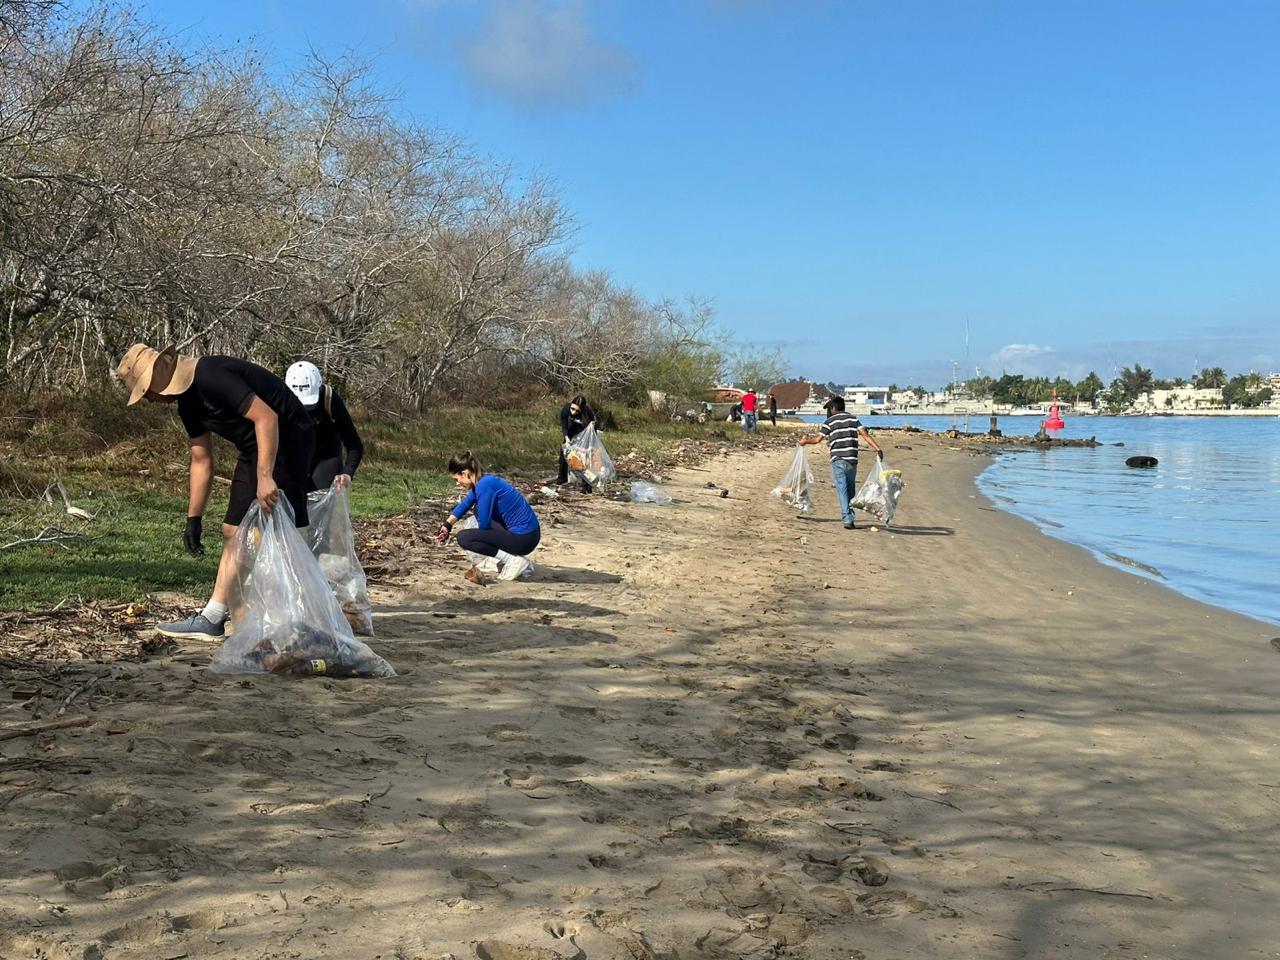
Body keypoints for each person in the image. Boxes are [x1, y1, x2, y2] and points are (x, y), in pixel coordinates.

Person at [115, 344, 315, 640]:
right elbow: (201, 459)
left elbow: (267, 418)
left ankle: (305, 614)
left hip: (290, 440)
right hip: (253, 449)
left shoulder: (211, 375)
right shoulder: (187, 404)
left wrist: (265, 477)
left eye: (147, 392)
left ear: (160, 380)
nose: (150, 399)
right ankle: (216, 616)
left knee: (279, 532)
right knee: (233, 531)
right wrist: (193, 518)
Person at [437, 451, 541, 581]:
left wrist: (481, 542)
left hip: (524, 539)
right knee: (477, 510)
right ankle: (503, 556)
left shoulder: (484, 486)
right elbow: (465, 504)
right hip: (529, 535)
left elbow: (484, 525)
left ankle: (512, 560)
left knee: (464, 538)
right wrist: (447, 525)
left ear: (465, 473)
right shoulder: (484, 481)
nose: (457, 484)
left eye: (456, 479)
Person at [798, 395, 883, 530]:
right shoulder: (853, 419)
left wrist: (804, 441)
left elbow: (818, 439)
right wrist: (878, 448)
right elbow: (865, 435)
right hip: (852, 459)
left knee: (842, 489)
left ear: (833, 408)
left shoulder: (830, 421)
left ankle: (847, 518)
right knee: (850, 489)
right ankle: (849, 516)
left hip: (838, 459)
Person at [284, 361, 364, 492]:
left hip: (325, 455)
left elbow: (354, 444)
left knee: (321, 496)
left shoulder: (330, 400)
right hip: (293, 453)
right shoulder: (279, 400)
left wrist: (348, 473)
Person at [557, 394, 595, 492]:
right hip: (570, 433)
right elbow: (564, 425)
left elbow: (591, 429)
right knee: (564, 454)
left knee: (582, 459)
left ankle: (586, 486)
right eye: (572, 409)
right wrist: (566, 438)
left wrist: (588, 445)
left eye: (577, 411)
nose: (573, 412)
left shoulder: (588, 413)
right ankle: (562, 479)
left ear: (582, 410)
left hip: (583, 435)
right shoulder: (566, 409)